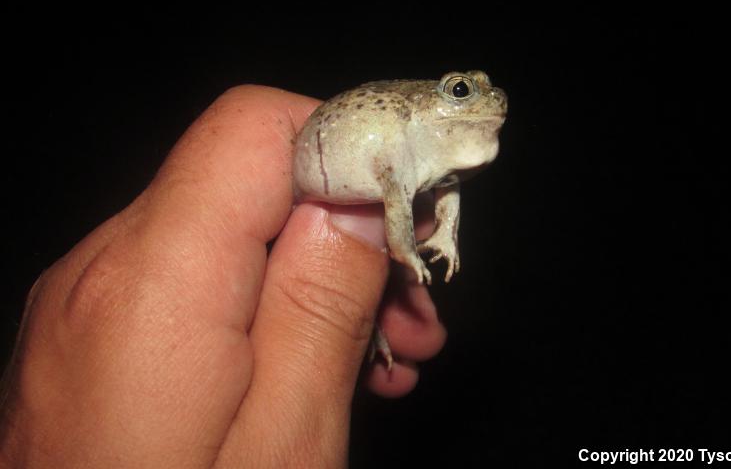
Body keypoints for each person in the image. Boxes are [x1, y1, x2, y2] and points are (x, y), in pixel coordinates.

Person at [0, 86, 447, 467]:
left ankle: (373, 330)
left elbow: (436, 189)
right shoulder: (400, 148)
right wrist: (400, 250)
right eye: (459, 91)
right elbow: (394, 190)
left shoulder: (433, 155)